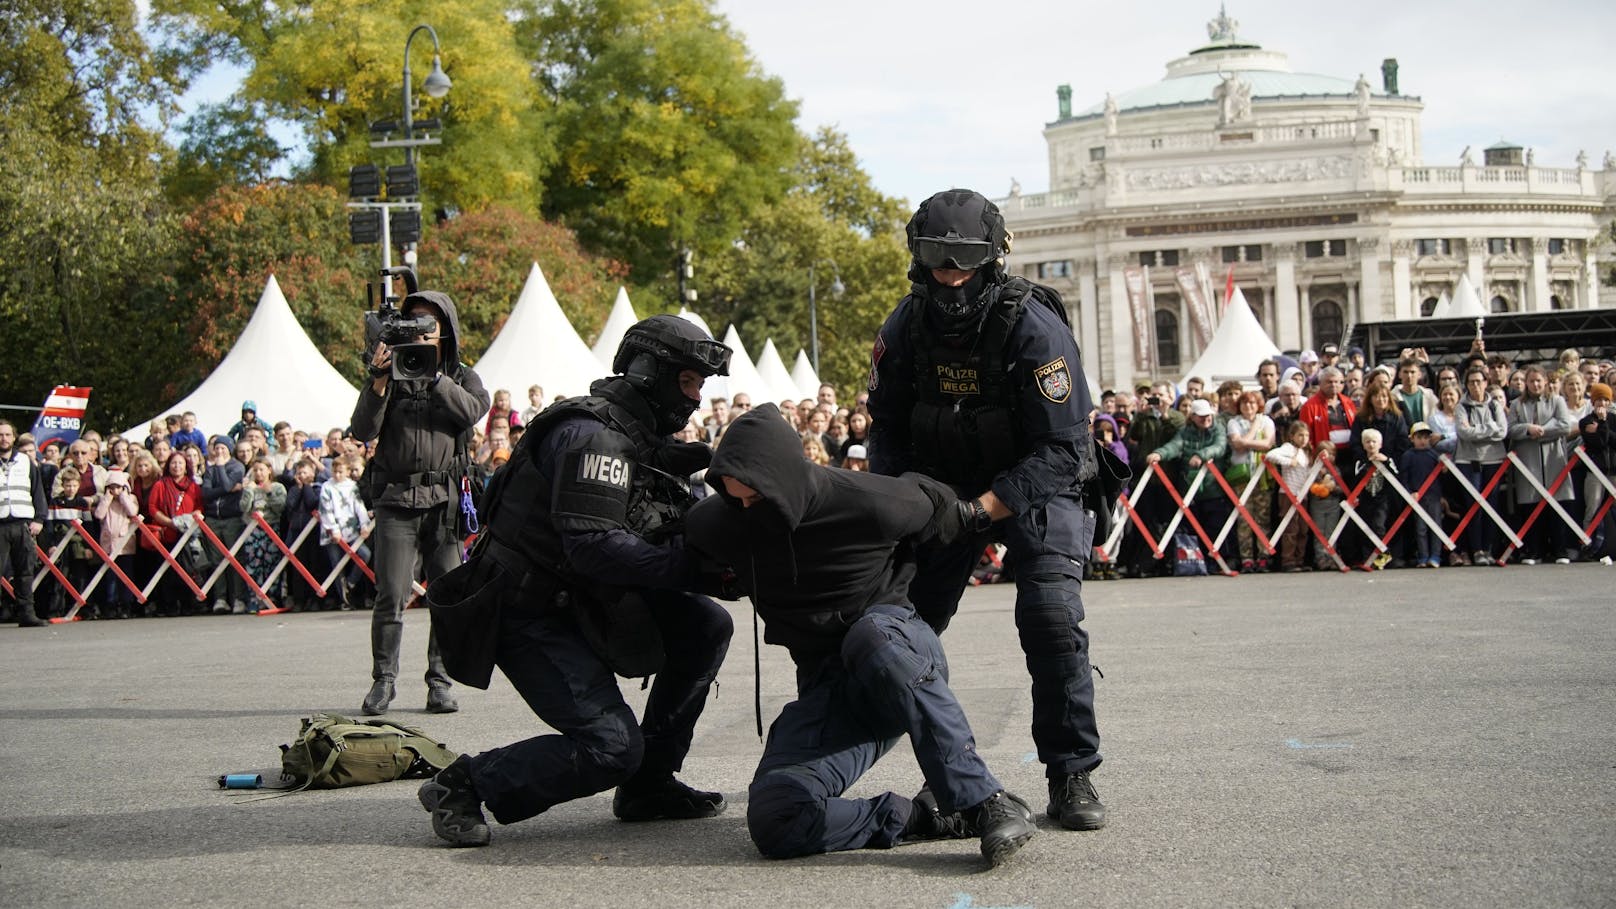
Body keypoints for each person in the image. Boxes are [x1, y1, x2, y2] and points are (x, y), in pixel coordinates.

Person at [416, 315, 733, 849]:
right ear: (646, 372)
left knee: (706, 625)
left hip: (580, 595)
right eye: (687, 382)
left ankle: (649, 785)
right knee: (611, 748)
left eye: (700, 385)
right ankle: (465, 782)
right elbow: (594, 546)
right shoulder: (594, 439)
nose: (696, 398)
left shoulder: (633, 432)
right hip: (530, 611)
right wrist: (696, 568)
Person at [685, 404, 1038, 866]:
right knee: (776, 818)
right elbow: (671, 555)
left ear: (785, 481)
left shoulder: (870, 501)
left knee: (870, 635)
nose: (747, 511)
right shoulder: (719, 523)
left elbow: (950, 509)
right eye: (736, 501)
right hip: (832, 695)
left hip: (896, 655)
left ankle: (986, 802)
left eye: (756, 498)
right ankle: (927, 818)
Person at [866, 189, 1105, 831]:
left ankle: (1071, 772)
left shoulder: (1034, 324)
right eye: (938, 260)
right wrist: (895, 508)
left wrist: (984, 509)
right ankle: (947, 774)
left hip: (1033, 482)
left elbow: (1064, 448)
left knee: (1052, 617)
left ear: (992, 257)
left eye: (965, 260)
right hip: (942, 485)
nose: (951, 274)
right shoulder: (904, 324)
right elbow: (885, 430)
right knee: (898, 624)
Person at [350, 285, 491, 715]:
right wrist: (378, 380)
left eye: (428, 325)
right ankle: (383, 682)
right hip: (396, 499)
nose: (420, 333)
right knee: (390, 595)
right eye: (412, 324)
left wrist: (434, 377)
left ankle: (440, 682)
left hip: (445, 502)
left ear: (445, 330)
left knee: (447, 597)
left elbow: (471, 411)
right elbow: (362, 430)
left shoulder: (462, 376)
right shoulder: (390, 373)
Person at [1507, 365, 1573, 564]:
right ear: (1526, 383)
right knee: (1531, 504)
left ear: (1545, 381)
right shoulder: (1517, 404)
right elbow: (1510, 429)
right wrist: (1528, 429)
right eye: (1531, 381)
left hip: (1553, 458)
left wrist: (1543, 430)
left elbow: (1564, 425)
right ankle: (1534, 550)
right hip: (1529, 460)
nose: (1535, 384)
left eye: (1539, 380)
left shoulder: (1557, 401)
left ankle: (1559, 549)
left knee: (1557, 504)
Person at [1455, 369, 1509, 565]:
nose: (1475, 386)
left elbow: (1502, 432)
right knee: (1473, 507)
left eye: (1479, 381)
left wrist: (1477, 431)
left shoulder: (1495, 405)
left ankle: (1489, 548)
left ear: (1486, 382)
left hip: (1493, 460)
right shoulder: (1461, 407)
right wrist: (1489, 429)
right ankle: (1477, 549)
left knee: (1491, 505)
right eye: (1471, 382)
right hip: (1468, 461)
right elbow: (1464, 432)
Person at [0, 419, 49, 626]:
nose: (3, 439)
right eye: (0, 435)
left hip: (23, 523)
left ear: (14, 437)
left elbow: (37, 492)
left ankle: (26, 614)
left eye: (7, 435)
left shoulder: (25, 461)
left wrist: (39, 518)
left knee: (25, 572)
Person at [200, 435, 248, 615]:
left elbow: (228, 485)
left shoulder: (237, 467)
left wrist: (220, 467)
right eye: (217, 448)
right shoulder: (209, 470)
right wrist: (223, 488)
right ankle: (220, 597)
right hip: (213, 517)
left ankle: (238, 598)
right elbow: (205, 493)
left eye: (223, 448)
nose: (219, 452)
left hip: (232, 517)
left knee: (235, 559)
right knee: (216, 559)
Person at [1264, 421, 1314, 572]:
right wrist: (1288, 461)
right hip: (1288, 493)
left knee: (1302, 529)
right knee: (1290, 527)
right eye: (1300, 435)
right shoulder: (1289, 449)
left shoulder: (1306, 453)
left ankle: (1300, 559)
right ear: (1292, 436)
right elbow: (1270, 455)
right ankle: (1288, 560)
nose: (1304, 439)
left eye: (1306, 435)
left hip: (1302, 494)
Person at [1400, 423, 1445, 568]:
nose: (1423, 441)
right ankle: (1423, 556)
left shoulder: (1434, 454)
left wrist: (1444, 469)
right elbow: (1404, 477)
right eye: (1419, 437)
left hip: (1434, 496)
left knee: (1436, 526)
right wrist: (1409, 493)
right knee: (1420, 528)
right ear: (1412, 439)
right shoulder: (1408, 455)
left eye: (1426, 437)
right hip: (1417, 497)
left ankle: (1436, 556)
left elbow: (1442, 476)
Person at [1298, 367, 1356, 454]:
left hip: (1350, 454)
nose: (1333, 385)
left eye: (1336, 382)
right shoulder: (1309, 406)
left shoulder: (1348, 402)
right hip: (1325, 456)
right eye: (1329, 382)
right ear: (1320, 383)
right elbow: (1306, 435)